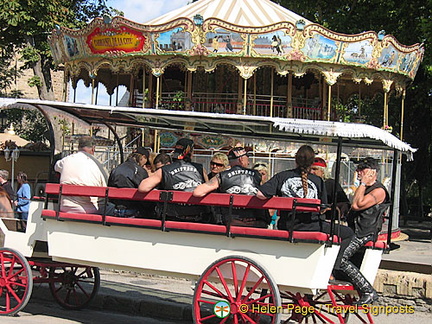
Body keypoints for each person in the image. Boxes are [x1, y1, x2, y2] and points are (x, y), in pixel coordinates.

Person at [256, 145, 354, 274]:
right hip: (312, 226)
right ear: (311, 162)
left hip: (287, 225)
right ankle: (334, 268)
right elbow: (322, 208)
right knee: (348, 233)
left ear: (296, 160)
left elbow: (260, 194)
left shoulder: (282, 177)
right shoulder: (318, 181)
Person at [339, 157, 391, 305]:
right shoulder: (367, 188)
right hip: (355, 230)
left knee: (342, 258)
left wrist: (362, 184)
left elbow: (357, 205)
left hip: (365, 232)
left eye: (362, 170)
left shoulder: (379, 190)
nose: (358, 172)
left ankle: (368, 290)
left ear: (372, 172)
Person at [194, 147, 270, 228]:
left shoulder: (222, 176)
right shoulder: (257, 175)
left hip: (231, 223)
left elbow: (198, 192)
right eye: (247, 158)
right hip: (254, 223)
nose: (248, 162)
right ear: (241, 159)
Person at [138, 138, 210, 222]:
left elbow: (143, 187)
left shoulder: (165, 170)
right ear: (191, 152)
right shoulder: (200, 169)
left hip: (172, 218)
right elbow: (209, 189)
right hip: (197, 217)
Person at [54, 136, 113, 214]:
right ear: (93, 148)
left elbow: (56, 167)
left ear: (78, 147)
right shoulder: (98, 166)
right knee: (111, 207)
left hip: (65, 207)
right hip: (89, 210)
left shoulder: (66, 160)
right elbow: (105, 190)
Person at [108, 147, 152, 217]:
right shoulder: (139, 170)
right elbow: (145, 189)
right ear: (143, 157)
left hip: (116, 209)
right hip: (133, 208)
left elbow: (109, 186)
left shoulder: (117, 168)